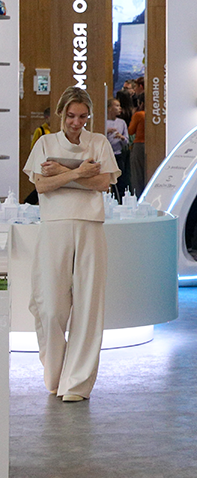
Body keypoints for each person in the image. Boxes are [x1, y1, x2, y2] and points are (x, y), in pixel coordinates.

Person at [22, 86, 120, 402]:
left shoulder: (99, 143)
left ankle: (76, 383)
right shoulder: (45, 143)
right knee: (49, 307)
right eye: (71, 116)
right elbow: (41, 185)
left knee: (89, 307)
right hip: (54, 227)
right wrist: (78, 172)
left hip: (91, 227)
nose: (76, 122)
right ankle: (55, 374)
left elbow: (103, 182)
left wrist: (62, 172)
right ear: (61, 114)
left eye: (82, 116)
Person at [105, 97, 130, 200]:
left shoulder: (122, 122)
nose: (120, 108)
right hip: (106, 155)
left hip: (118, 154)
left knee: (120, 180)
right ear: (109, 108)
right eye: (117, 106)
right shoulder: (103, 122)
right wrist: (106, 132)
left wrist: (121, 137)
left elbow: (127, 141)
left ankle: (120, 200)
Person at [127, 96, 147, 195]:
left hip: (139, 145)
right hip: (150, 145)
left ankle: (138, 196)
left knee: (137, 173)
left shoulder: (139, 115)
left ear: (141, 103)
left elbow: (131, 131)